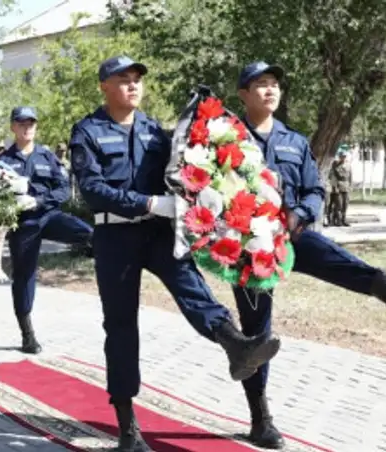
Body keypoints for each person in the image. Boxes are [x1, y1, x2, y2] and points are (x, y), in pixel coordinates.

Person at [68, 56, 281, 451]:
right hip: (115, 238)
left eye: (137, 80)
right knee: (120, 326)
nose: (133, 86)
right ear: (104, 86)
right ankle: (127, 424)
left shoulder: (155, 130)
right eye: (123, 80)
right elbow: (92, 189)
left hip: (158, 233)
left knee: (192, 288)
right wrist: (150, 203)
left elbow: (183, 170)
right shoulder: (88, 131)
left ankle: (235, 343)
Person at [234, 61, 386, 449]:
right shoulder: (227, 140)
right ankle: (260, 418)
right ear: (243, 94)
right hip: (248, 247)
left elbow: (314, 190)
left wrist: (300, 214)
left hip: (290, 233)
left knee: (329, 253)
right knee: (256, 335)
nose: (270, 90)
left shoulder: (294, 141)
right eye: (260, 84)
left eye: (275, 84)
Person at [0, 106, 93, 353]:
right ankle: (27, 333)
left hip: (48, 215)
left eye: (31, 123)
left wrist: (39, 201)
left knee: (90, 233)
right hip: (23, 225)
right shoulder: (3, 162)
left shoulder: (47, 156)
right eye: (21, 123)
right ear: (13, 127)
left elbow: (62, 189)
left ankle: (103, 256)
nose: (27, 127)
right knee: (24, 276)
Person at [329, 150, 351, 226]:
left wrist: (350, 186)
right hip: (338, 186)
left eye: (344, 156)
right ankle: (337, 220)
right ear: (339, 157)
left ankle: (344, 220)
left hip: (346, 187)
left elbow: (350, 176)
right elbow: (333, 177)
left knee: (345, 204)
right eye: (342, 156)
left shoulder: (348, 165)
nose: (343, 158)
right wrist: (334, 187)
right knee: (339, 205)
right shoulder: (335, 165)